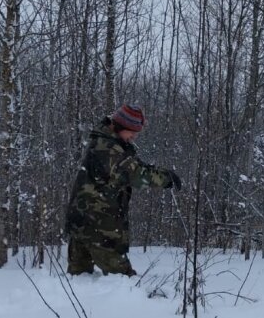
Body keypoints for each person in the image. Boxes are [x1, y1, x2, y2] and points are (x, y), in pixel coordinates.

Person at [65, 104, 182, 276]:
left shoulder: (108, 143)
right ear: (119, 126)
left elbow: (133, 166)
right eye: (131, 132)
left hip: (83, 223)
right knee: (123, 283)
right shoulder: (107, 148)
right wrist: (165, 178)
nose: (133, 137)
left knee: (79, 281)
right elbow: (135, 174)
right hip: (99, 227)